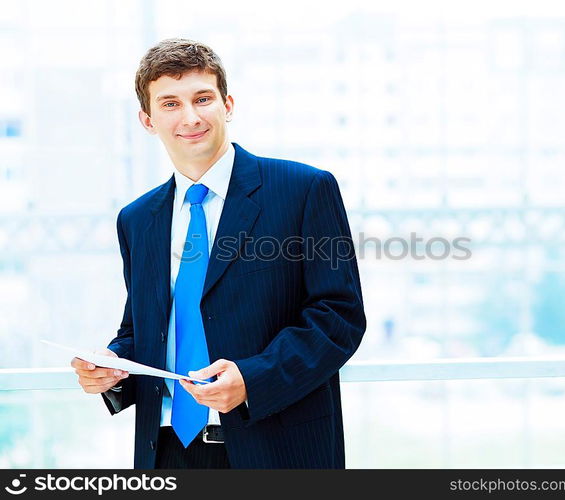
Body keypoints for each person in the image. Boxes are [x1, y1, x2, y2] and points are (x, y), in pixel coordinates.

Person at [70, 38, 366, 469]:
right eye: (170, 103)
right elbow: (144, 329)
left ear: (227, 104)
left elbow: (338, 316)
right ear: (147, 119)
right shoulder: (137, 219)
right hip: (167, 451)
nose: (190, 117)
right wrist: (112, 365)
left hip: (276, 446)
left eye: (202, 98)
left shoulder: (303, 190)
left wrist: (253, 379)